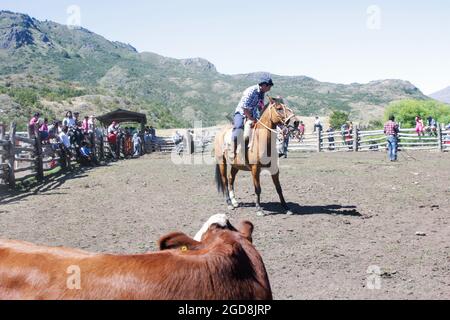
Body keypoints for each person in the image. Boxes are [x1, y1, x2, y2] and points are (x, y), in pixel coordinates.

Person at [231, 75, 274, 159]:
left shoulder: (262, 93)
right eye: (269, 86)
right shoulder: (251, 90)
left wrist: (266, 107)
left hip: (253, 115)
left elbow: (260, 106)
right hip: (241, 113)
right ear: (264, 85)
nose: (270, 89)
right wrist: (250, 117)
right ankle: (232, 149)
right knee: (238, 127)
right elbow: (244, 107)